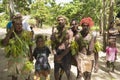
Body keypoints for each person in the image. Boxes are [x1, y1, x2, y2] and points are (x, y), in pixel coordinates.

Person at [1, 14, 33, 80]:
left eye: (20, 24)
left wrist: (31, 55)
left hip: (25, 58)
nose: (19, 26)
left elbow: (30, 44)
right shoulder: (11, 35)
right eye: (17, 24)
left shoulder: (26, 34)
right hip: (14, 59)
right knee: (14, 76)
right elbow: (4, 43)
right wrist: (11, 30)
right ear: (13, 25)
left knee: (26, 76)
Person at [50, 15, 73, 80]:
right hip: (57, 53)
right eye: (59, 20)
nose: (60, 21)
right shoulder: (55, 32)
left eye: (62, 20)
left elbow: (69, 45)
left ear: (65, 21)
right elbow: (52, 44)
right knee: (56, 71)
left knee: (67, 71)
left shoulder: (69, 32)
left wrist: (62, 56)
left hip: (66, 53)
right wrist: (55, 54)